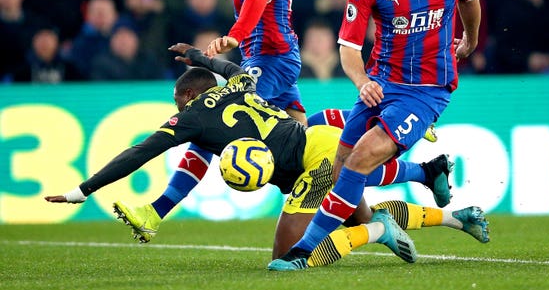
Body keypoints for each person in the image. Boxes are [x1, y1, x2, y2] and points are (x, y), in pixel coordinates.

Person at [45, 44, 489, 267]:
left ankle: (377, 230)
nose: (176, 110)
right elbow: (235, 69)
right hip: (314, 145)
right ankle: (452, 213)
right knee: (355, 197)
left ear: (186, 97)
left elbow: (139, 152)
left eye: (178, 102)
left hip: (311, 163)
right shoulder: (237, 86)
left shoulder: (194, 117)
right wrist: (201, 56)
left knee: (290, 257)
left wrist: (83, 189)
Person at [268, 0, 482, 271]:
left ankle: (303, 253)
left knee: (363, 157)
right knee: (341, 171)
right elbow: (347, 47)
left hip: (427, 91)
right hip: (380, 85)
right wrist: (361, 80)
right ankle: (426, 173)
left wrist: (471, 38)